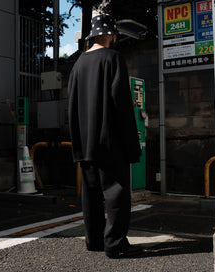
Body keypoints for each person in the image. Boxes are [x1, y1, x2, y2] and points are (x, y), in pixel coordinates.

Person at [68, 14, 142, 258]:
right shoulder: (113, 59)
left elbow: (71, 106)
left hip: (85, 143)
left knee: (90, 194)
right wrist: (132, 145)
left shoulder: (78, 64)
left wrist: (77, 143)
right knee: (117, 193)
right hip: (110, 143)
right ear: (110, 34)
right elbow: (121, 104)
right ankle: (115, 243)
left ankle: (94, 241)